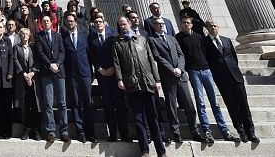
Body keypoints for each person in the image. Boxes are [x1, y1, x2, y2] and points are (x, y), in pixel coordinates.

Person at [113, 16, 166, 157]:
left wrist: (157, 80)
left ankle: (161, 151)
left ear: (130, 24)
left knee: (153, 118)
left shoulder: (142, 39)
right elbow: (117, 63)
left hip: (148, 83)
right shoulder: (118, 43)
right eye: (120, 25)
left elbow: (151, 59)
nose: (122, 27)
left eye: (124, 24)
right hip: (132, 84)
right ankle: (145, 151)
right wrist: (120, 79)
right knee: (138, 119)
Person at [176, 16, 234, 144]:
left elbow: (204, 52)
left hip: (206, 70)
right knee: (200, 102)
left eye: (188, 22)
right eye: (183, 23)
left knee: (215, 103)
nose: (185, 24)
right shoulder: (178, 38)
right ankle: (206, 130)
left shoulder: (198, 37)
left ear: (191, 24)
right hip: (193, 71)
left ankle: (224, 130)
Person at [148, 17, 203, 143]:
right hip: (168, 76)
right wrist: (172, 69)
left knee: (189, 105)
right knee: (171, 105)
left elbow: (180, 54)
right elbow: (158, 57)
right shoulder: (152, 40)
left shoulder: (172, 38)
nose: (162, 25)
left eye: (162, 23)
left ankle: (195, 131)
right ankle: (176, 132)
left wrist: (180, 68)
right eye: (158, 24)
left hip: (181, 75)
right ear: (154, 25)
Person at [204, 20, 258, 143]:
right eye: (210, 26)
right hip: (222, 79)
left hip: (236, 77)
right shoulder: (205, 42)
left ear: (218, 27)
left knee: (244, 105)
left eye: (215, 26)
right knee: (232, 106)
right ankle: (241, 131)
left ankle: (251, 132)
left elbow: (234, 57)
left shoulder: (226, 40)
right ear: (207, 28)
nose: (213, 28)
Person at [87, 14, 129, 142]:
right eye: (96, 22)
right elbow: (92, 56)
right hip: (102, 76)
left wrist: (113, 68)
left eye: (100, 21)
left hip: (114, 74)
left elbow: (116, 54)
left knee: (120, 105)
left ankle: (124, 134)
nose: (98, 23)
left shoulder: (112, 36)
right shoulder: (91, 38)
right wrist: (99, 68)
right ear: (94, 25)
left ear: (105, 23)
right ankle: (113, 134)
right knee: (108, 105)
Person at [34, 14, 69, 142]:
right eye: (44, 21)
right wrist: (50, 65)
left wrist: (57, 64)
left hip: (59, 72)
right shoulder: (38, 36)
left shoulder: (58, 36)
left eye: (48, 21)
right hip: (46, 73)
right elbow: (40, 53)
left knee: (62, 103)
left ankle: (64, 131)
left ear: (51, 22)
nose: (46, 23)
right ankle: (51, 130)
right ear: (41, 24)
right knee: (48, 103)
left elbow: (62, 51)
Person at [62, 12, 95, 143]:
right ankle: (80, 131)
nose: (70, 23)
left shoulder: (84, 36)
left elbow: (90, 54)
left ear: (76, 22)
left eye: (72, 21)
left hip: (85, 73)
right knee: (75, 103)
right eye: (68, 21)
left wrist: (91, 72)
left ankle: (91, 132)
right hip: (71, 75)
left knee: (88, 102)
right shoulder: (63, 38)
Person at [13, 27, 40, 140]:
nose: (24, 35)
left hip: (33, 79)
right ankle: (26, 129)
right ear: (20, 36)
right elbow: (15, 60)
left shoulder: (33, 47)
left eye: (26, 34)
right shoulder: (16, 47)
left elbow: (37, 61)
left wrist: (32, 73)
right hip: (21, 79)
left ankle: (36, 129)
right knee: (24, 105)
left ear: (29, 36)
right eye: (22, 34)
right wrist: (24, 74)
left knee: (34, 104)